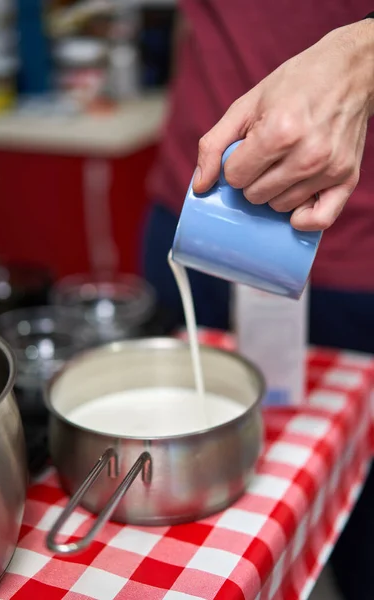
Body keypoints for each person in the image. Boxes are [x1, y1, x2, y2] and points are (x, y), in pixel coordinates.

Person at [142, 3, 374, 599]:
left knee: (362, 536)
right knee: (178, 542)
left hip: (352, 248)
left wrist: (361, 58)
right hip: (196, 205)